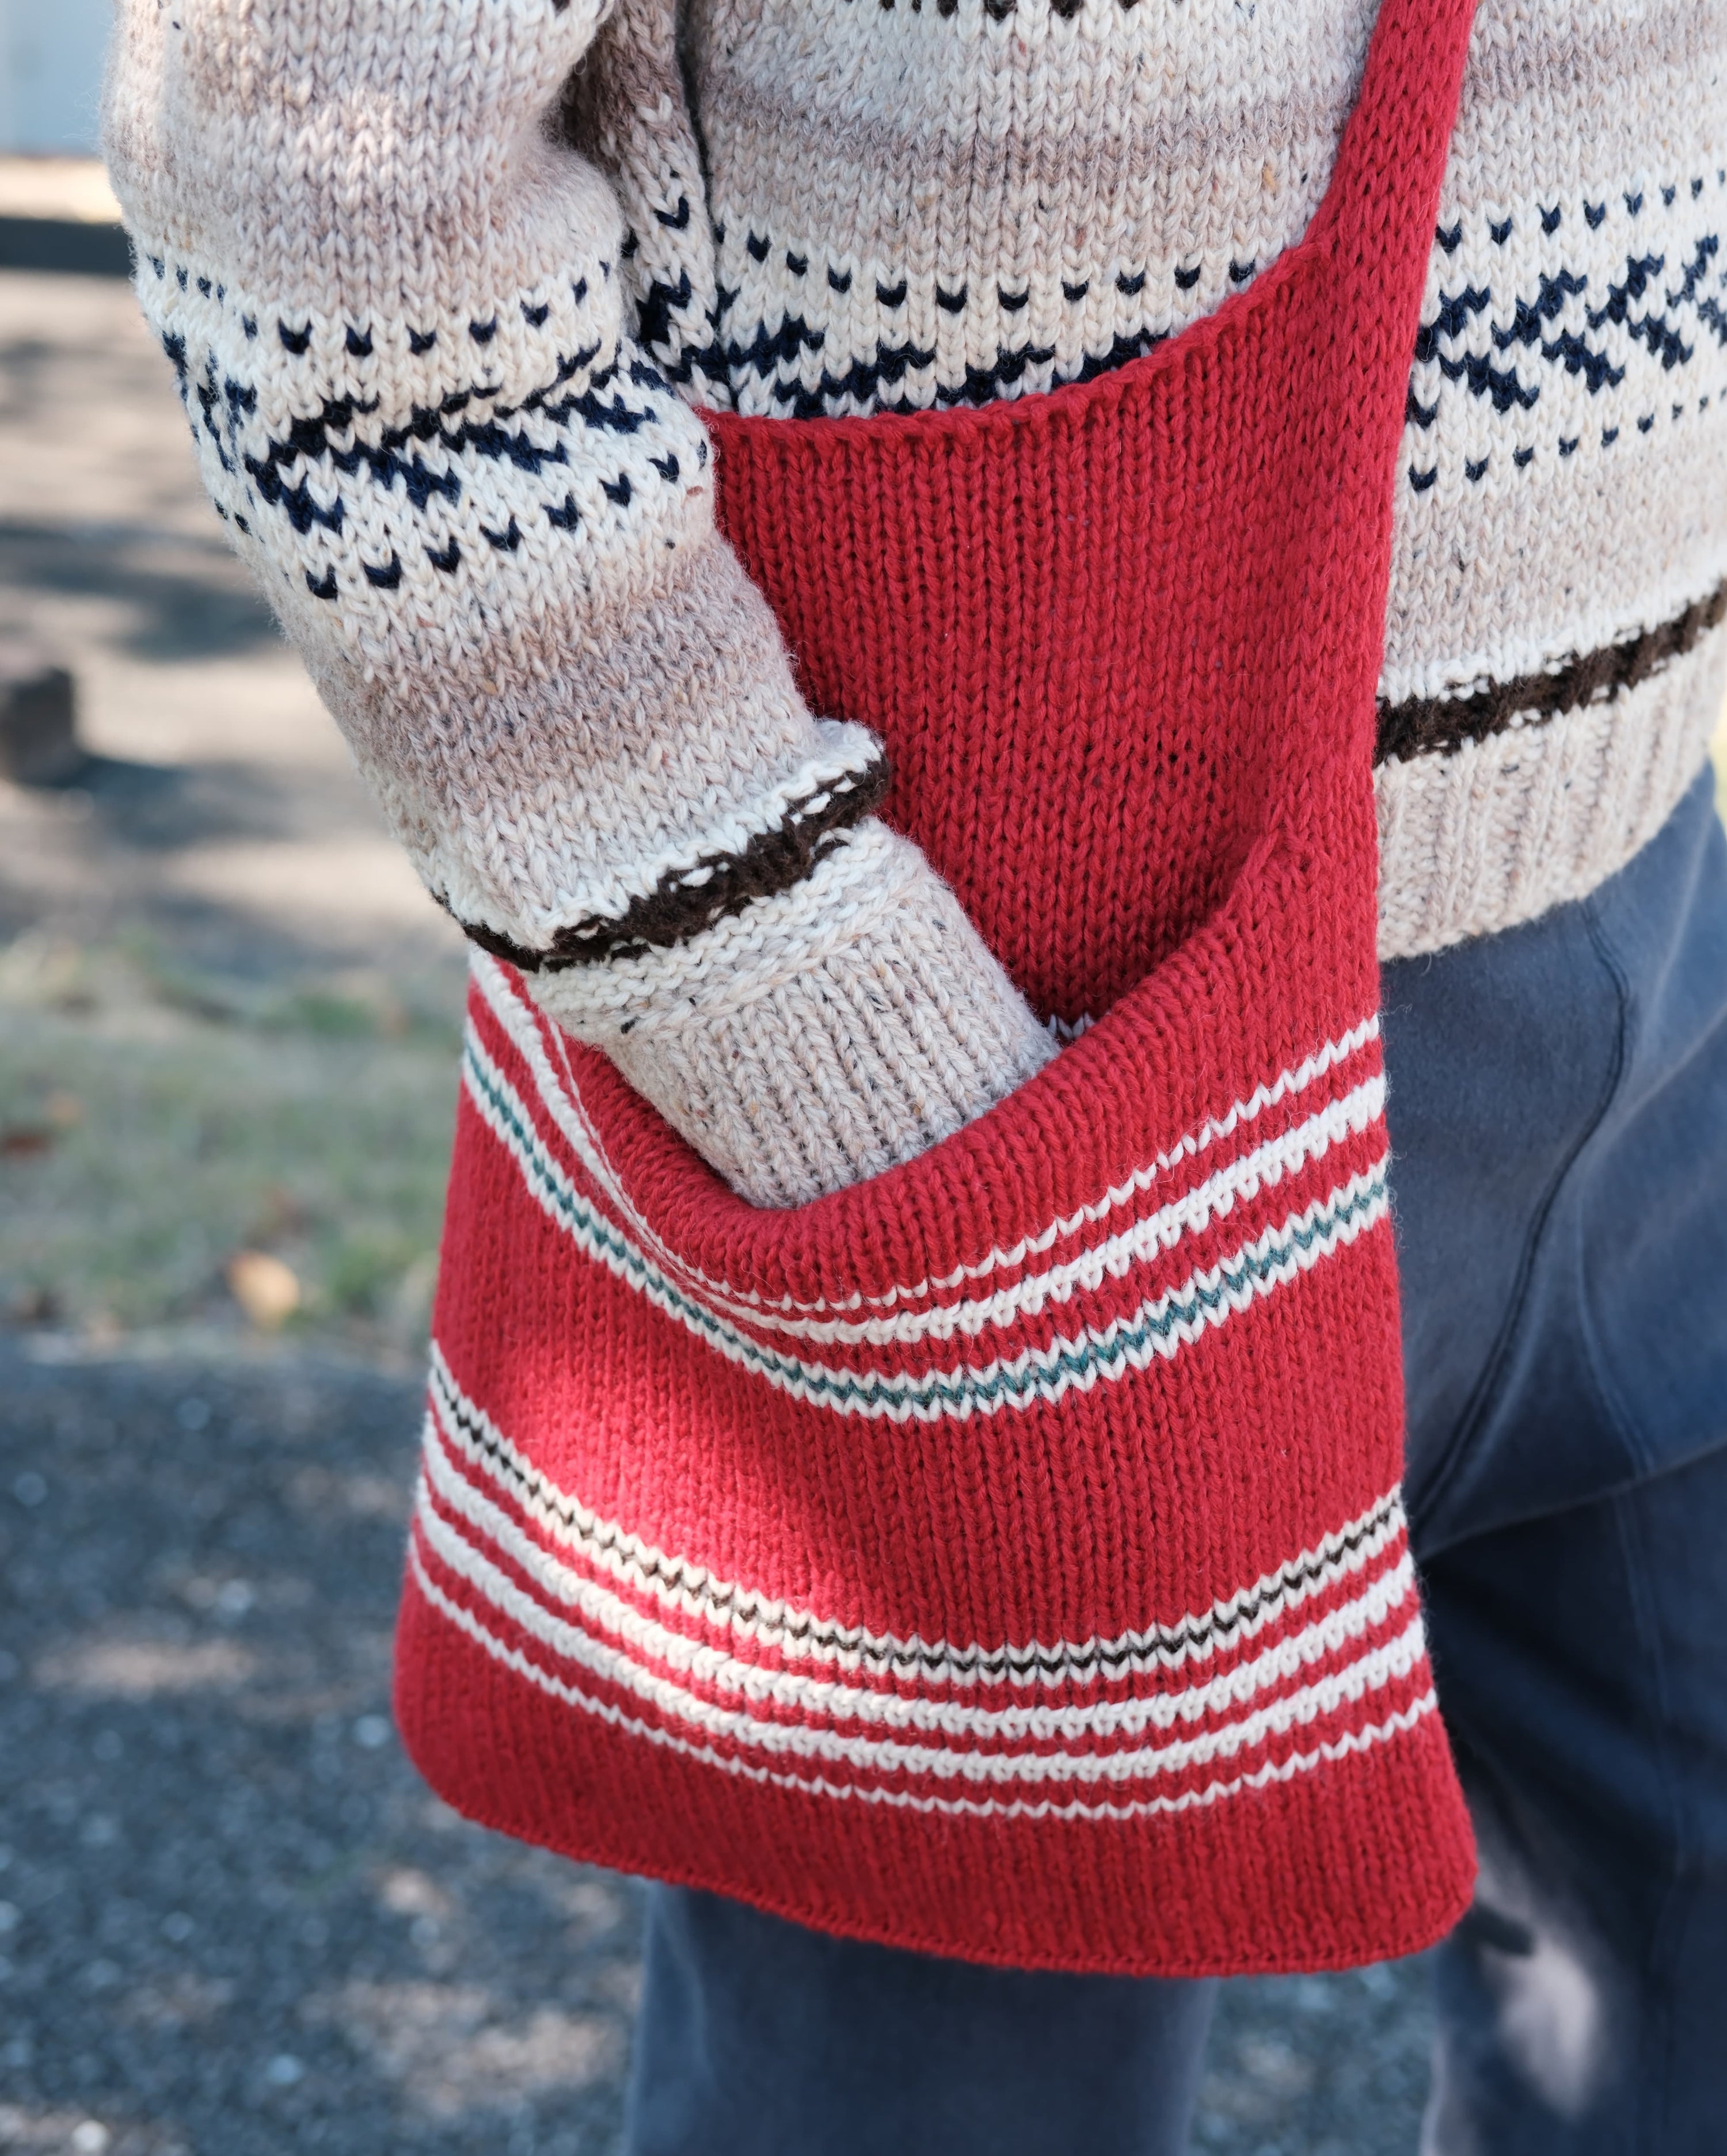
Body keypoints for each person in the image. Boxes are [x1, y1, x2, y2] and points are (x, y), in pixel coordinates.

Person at [103, 0, 1727, 2147]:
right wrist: (807, 1025)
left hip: (1644, 962)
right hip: (995, 1076)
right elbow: (303, 193)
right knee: (924, 2096)